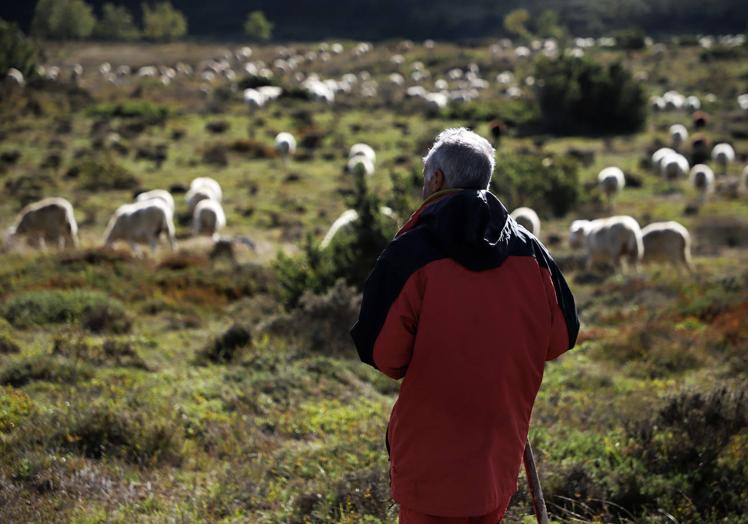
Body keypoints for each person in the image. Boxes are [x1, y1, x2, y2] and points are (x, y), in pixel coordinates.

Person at [350, 128, 579, 523]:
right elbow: (560, 338)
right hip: (498, 450)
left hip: (430, 459)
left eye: (426, 179)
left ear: (436, 180)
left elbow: (383, 355)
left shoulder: (411, 254)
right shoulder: (531, 251)